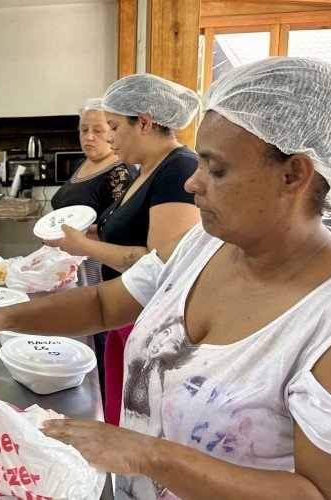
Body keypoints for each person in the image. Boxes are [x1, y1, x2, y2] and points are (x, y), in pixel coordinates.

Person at [0, 57, 331, 498]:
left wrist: (148, 456)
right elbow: (105, 304)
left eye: (217, 169)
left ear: (294, 174)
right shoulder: (203, 246)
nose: (192, 182)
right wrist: (3, 317)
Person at [47, 74, 202, 425]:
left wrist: (85, 246)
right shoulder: (145, 170)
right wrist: (94, 232)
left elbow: (161, 262)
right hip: (124, 314)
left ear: (144, 123)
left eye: (114, 127)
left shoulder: (179, 168)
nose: (109, 137)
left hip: (147, 321)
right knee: (114, 413)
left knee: (136, 423)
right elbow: (127, 235)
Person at [50, 97, 139, 286]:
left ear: (113, 132)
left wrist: (79, 237)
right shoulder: (87, 162)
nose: (89, 137)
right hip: (71, 265)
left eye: (98, 131)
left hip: (96, 272)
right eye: (84, 130)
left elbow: (123, 233)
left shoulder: (120, 171)